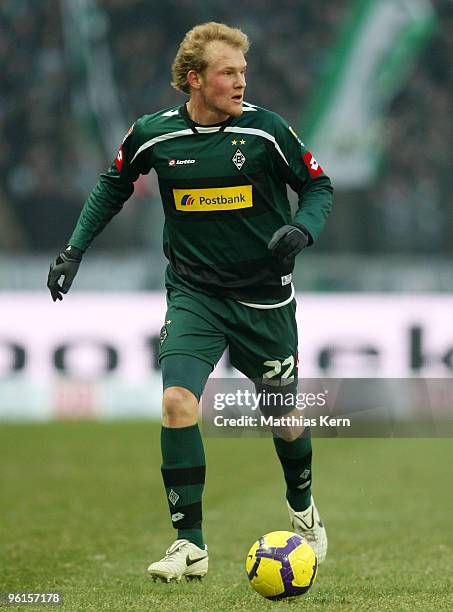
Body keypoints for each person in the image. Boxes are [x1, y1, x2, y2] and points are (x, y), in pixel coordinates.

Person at [47, 22, 333, 583]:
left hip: (264, 299)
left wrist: (303, 228)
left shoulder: (266, 131)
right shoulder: (154, 135)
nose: (241, 82)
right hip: (195, 294)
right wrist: (74, 250)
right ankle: (190, 545)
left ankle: (304, 513)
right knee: (178, 401)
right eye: (229, 73)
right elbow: (113, 184)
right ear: (195, 79)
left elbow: (318, 186)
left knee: (282, 417)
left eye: (243, 72)